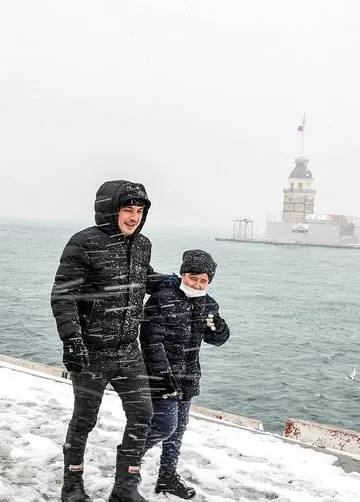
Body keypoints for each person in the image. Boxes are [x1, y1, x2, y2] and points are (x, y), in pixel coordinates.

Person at [51, 180, 167, 502]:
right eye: (127, 210)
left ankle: (125, 487)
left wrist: (175, 284)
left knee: (143, 414)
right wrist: (72, 339)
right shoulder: (84, 243)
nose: (134, 217)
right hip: (92, 352)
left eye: (139, 211)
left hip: (129, 351)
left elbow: (143, 277)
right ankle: (71, 483)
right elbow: (63, 295)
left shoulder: (142, 244)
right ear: (110, 210)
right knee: (85, 419)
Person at [139, 249, 230, 499]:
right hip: (162, 377)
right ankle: (128, 459)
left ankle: (167, 477)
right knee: (164, 426)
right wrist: (163, 375)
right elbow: (150, 340)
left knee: (178, 430)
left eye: (203, 281)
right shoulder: (162, 298)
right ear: (182, 274)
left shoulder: (207, 303)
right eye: (193, 278)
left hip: (189, 377)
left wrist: (220, 330)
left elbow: (216, 338)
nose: (197, 284)